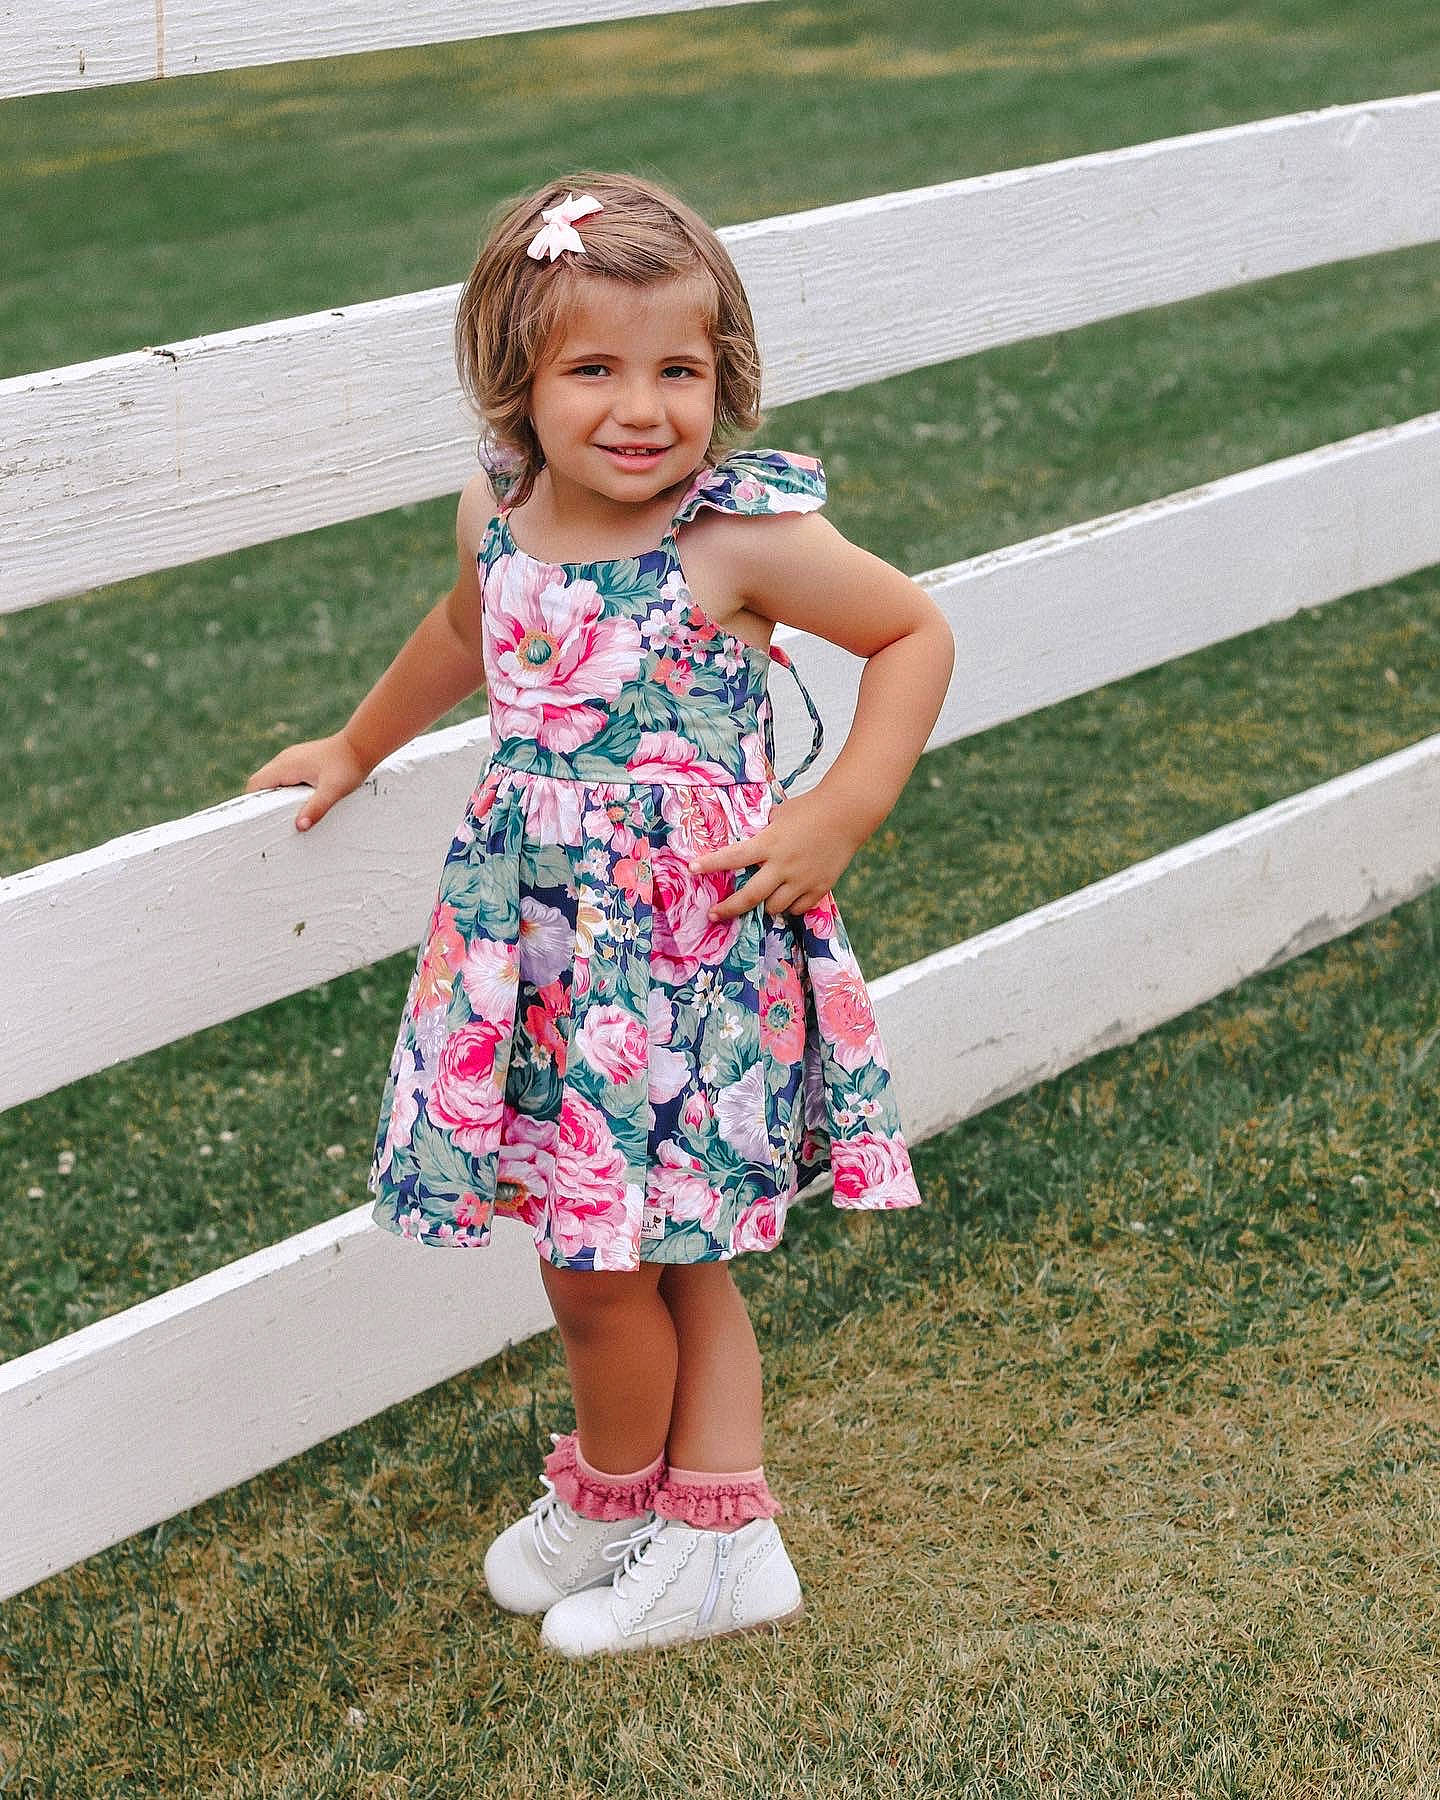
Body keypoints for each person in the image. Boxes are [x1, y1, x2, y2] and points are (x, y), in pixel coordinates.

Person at [244, 171, 955, 1657]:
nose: (642, 410)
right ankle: (692, 1527)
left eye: (679, 370)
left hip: (681, 957)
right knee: (642, 1253)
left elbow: (911, 631)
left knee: (608, 1266)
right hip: (540, 948)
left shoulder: (736, 537)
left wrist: (839, 811)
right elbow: (466, 631)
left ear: (724, 375)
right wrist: (358, 745)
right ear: (517, 376)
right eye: (594, 370)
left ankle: (648, 1512)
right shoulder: (497, 511)